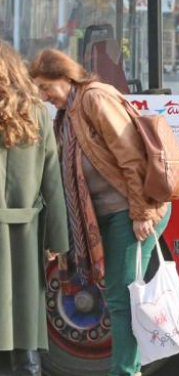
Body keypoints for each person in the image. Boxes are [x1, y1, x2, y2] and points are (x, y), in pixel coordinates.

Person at [28, 49, 171, 376]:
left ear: (66, 78)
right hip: (113, 212)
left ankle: (125, 371)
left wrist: (141, 212)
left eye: (46, 87)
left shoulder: (95, 98)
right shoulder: (69, 112)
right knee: (119, 295)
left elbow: (132, 157)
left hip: (132, 210)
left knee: (121, 298)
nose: (44, 96)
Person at [0, 41, 69, 376]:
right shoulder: (39, 113)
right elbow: (51, 182)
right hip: (25, 235)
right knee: (24, 320)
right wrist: (58, 241)